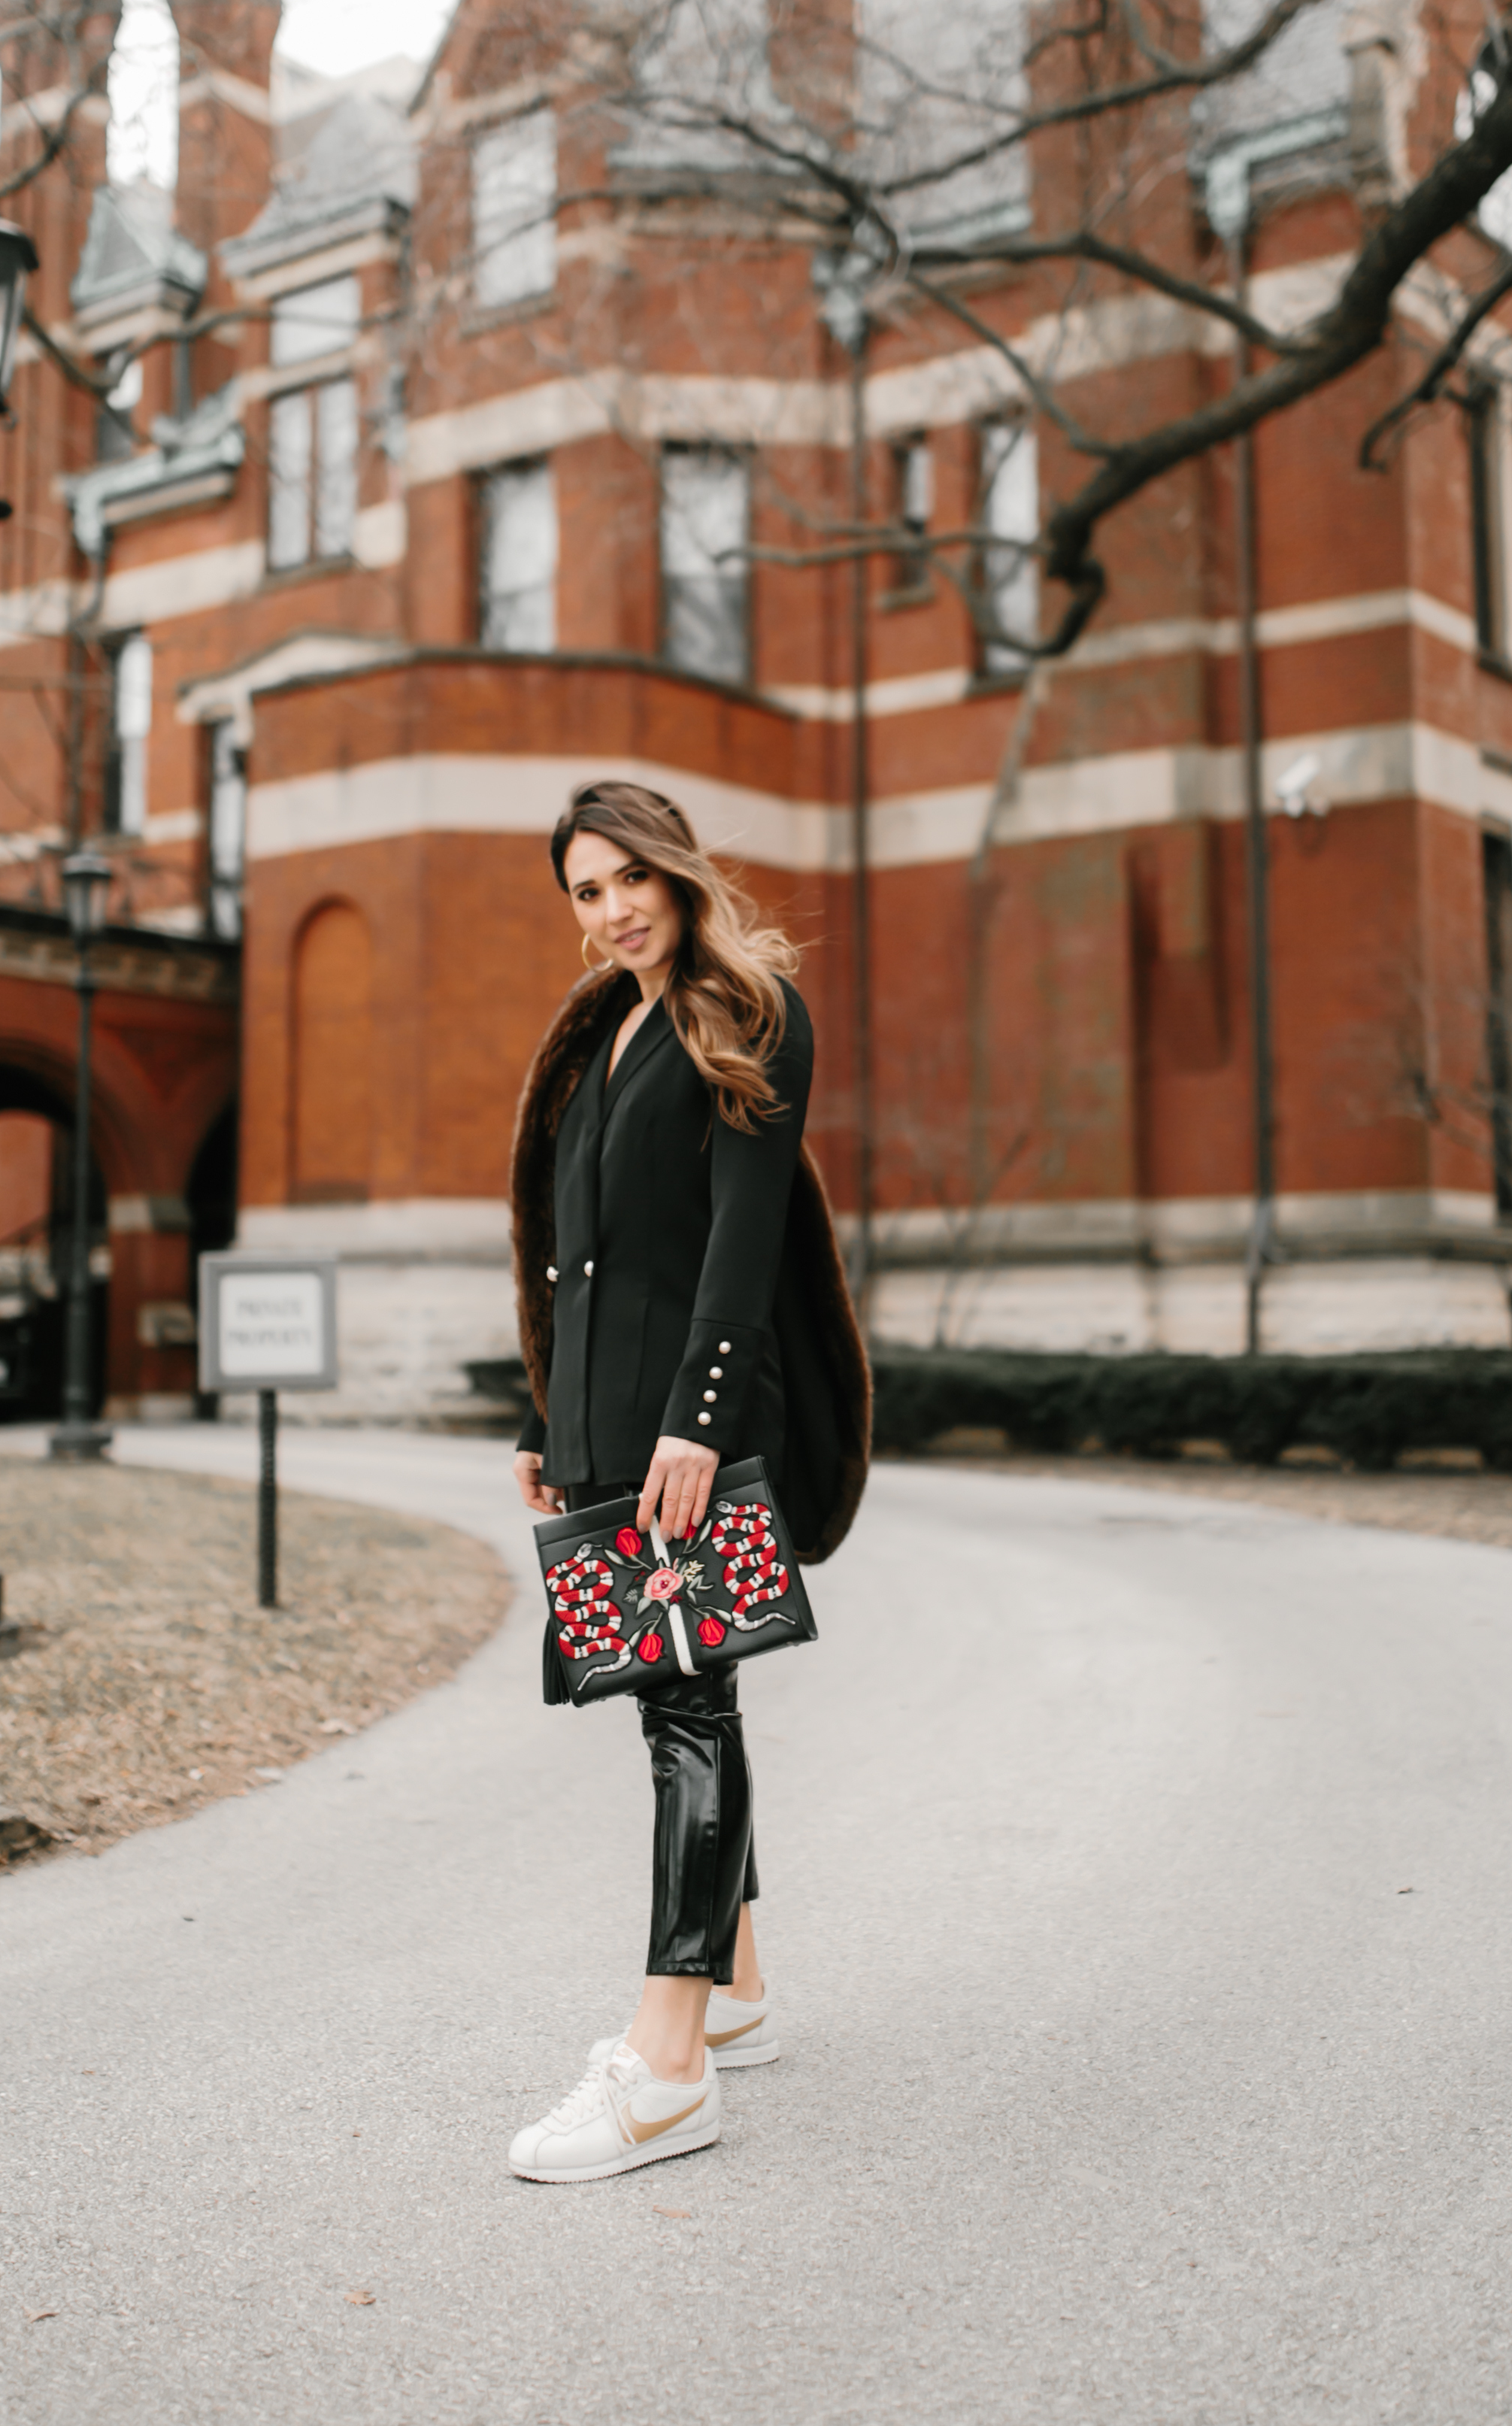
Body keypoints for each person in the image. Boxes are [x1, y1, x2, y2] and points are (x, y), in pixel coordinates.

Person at [505, 778, 871, 2185]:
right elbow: (583, 1262)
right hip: (611, 1427)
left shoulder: (750, 1006)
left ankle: (668, 2069)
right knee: (674, 1695)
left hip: (694, 1430)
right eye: (584, 893)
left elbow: (738, 1237)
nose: (610, 912)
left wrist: (698, 1425)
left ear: (675, 866)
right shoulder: (605, 1033)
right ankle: (740, 1989)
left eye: (625, 878)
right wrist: (551, 1421)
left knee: (688, 1713)